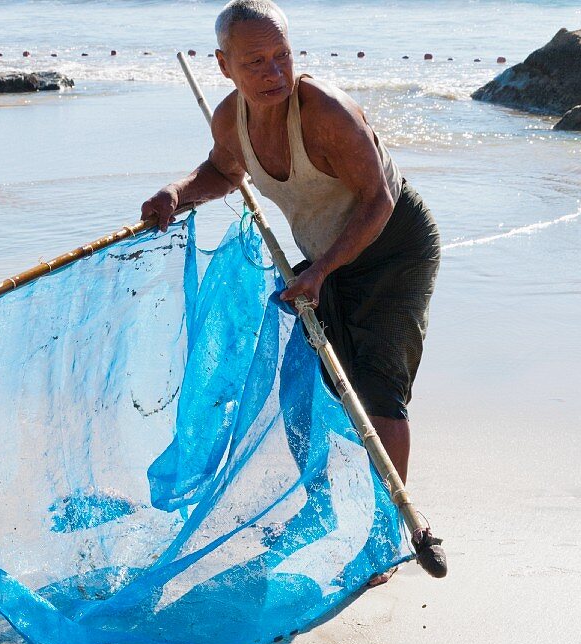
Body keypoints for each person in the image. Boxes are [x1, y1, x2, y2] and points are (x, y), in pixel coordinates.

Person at [141, 0, 442, 580]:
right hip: (328, 256)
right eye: (256, 62)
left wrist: (321, 269)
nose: (276, 72)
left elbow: (377, 199)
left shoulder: (326, 112)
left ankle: (384, 537)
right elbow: (224, 173)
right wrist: (177, 193)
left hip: (393, 247)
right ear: (225, 66)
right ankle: (321, 505)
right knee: (299, 385)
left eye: (283, 55)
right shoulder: (231, 119)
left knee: (378, 391)